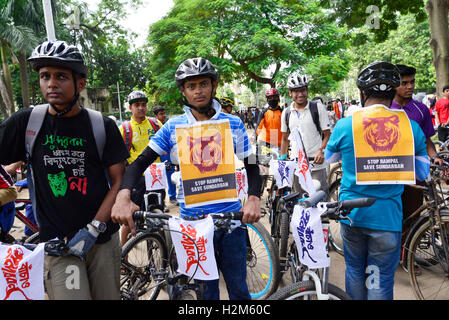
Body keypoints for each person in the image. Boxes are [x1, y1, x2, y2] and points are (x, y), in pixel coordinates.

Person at [111, 57, 262, 300]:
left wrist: (254, 198)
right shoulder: (173, 127)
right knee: (206, 293)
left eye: (204, 84)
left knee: (239, 290)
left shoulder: (232, 123)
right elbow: (139, 163)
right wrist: (123, 195)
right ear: (183, 90)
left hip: (231, 221)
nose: (198, 91)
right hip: (194, 224)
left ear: (214, 86)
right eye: (191, 86)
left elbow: (252, 163)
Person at [0, 40, 129, 300]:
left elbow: (119, 182)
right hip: (57, 244)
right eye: (45, 76)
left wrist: (94, 228)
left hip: (101, 239)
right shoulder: (26, 122)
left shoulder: (101, 125)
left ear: (80, 83)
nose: (51, 83)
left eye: (60, 76)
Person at [325, 61, 429, 300]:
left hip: (352, 214)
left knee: (354, 271)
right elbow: (423, 173)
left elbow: (329, 158)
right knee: (380, 279)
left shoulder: (345, 125)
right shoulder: (411, 127)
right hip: (388, 218)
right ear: (393, 92)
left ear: (362, 93)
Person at [392, 64, 444, 246]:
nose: (410, 87)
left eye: (412, 82)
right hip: (391, 172)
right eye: (404, 83)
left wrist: (434, 157)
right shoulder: (385, 108)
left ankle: (407, 254)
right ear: (393, 85)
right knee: (393, 214)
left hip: (415, 172)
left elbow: (428, 141)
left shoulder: (421, 109)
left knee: (413, 213)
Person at [119, 91, 166, 246]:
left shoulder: (155, 124)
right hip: (137, 178)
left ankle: (161, 246)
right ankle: (123, 256)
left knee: (158, 215)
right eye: (137, 105)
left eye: (144, 105)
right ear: (130, 108)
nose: (141, 108)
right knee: (131, 216)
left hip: (156, 176)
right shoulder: (124, 128)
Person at [280, 73, 331, 198]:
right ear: (290, 93)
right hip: (297, 167)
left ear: (307, 91)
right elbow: (285, 139)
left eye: (303, 90)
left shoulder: (317, 108)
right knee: (299, 203)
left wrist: (321, 150)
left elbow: (327, 134)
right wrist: (282, 159)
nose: (300, 94)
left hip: (316, 165)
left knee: (319, 202)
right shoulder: (286, 113)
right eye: (296, 91)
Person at [153, 105, 178, 206]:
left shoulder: (169, 124)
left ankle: (172, 197)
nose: (164, 115)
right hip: (159, 155)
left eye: (164, 113)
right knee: (159, 178)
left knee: (171, 175)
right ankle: (161, 202)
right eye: (161, 114)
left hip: (169, 155)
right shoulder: (154, 126)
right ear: (156, 115)